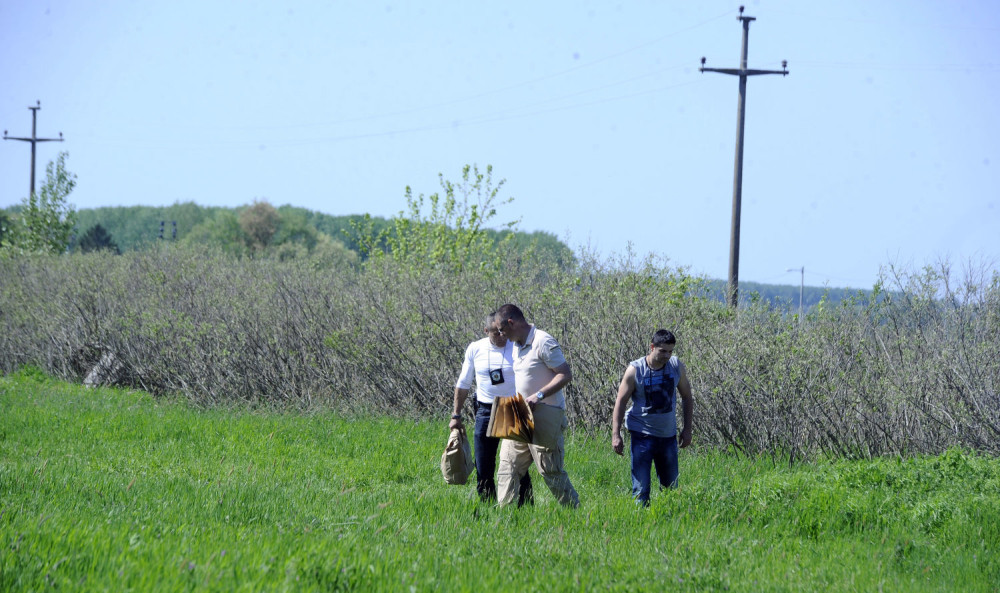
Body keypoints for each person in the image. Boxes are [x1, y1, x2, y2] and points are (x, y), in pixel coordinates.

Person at [494, 303, 579, 508]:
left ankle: (574, 513)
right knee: (507, 467)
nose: (501, 335)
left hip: (546, 414)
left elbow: (565, 374)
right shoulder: (515, 346)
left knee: (550, 470)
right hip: (519, 413)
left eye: (502, 329)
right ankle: (504, 516)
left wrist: (538, 395)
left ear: (512, 322)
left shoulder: (543, 341)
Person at [450, 312, 533, 505]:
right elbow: (463, 382)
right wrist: (456, 414)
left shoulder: (517, 346)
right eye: (496, 333)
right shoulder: (475, 348)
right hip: (485, 409)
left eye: (503, 332)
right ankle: (487, 506)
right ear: (486, 331)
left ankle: (525, 507)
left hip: (513, 408)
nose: (502, 336)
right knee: (483, 464)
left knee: (517, 464)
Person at [612, 329, 694, 506]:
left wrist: (687, 430)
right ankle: (640, 523)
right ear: (652, 347)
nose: (667, 355)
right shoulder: (635, 370)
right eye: (663, 351)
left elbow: (687, 396)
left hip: (668, 436)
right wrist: (616, 434)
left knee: (671, 489)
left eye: (671, 351)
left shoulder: (676, 366)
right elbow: (621, 401)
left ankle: (669, 522)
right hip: (642, 435)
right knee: (641, 488)